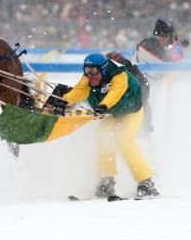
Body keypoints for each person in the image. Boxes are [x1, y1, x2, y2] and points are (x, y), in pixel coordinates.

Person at [54, 53, 159, 199]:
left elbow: (116, 91)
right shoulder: (89, 78)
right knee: (102, 138)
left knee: (124, 141)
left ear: (103, 69)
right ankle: (107, 182)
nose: (90, 75)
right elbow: (78, 91)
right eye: (87, 71)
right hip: (111, 113)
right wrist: (64, 101)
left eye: (94, 71)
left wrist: (104, 105)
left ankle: (146, 182)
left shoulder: (119, 74)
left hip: (132, 112)